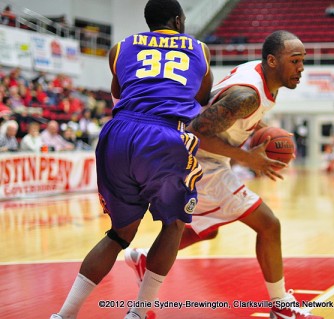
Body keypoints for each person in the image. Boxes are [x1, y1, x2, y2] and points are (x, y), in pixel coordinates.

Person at [125, 30, 323, 319]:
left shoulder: (258, 77)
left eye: (302, 60)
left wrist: (259, 129)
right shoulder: (247, 95)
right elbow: (197, 133)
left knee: (207, 228)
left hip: (205, 159)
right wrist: (249, 158)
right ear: (271, 60)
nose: (301, 67)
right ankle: (281, 306)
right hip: (200, 162)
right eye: (295, 61)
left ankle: (145, 261)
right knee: (269, 225)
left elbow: (232, 115)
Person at [50, 0, 213, 318]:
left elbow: (118, 93)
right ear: (179, 20)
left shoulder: (120, 47)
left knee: (119, 233)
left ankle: (64, 315)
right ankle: (137, 313)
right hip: (165, 135)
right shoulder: (200, 49)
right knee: (174, 223)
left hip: (118, 133)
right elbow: (201, 98)